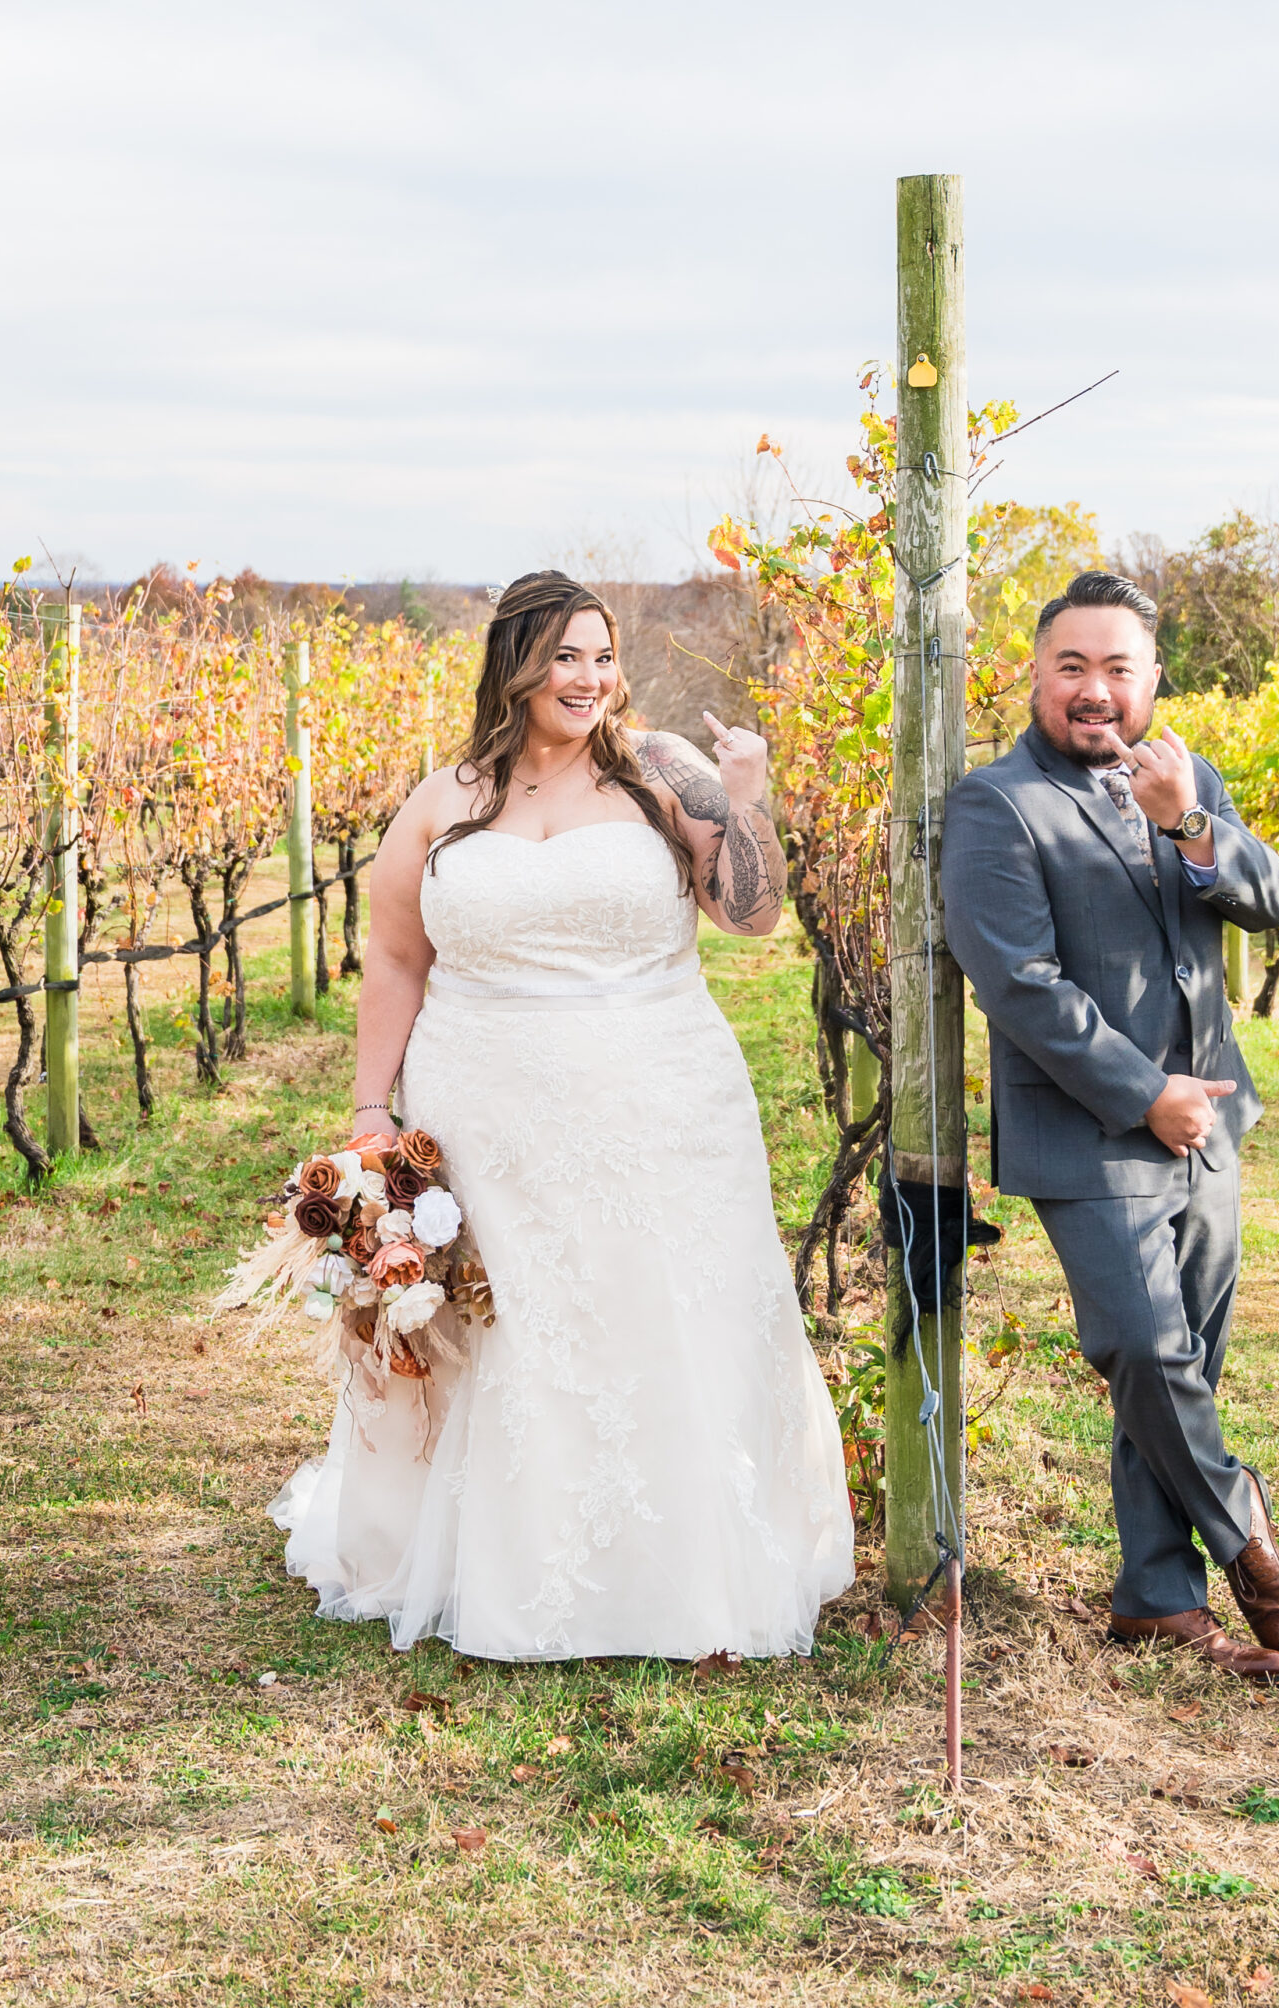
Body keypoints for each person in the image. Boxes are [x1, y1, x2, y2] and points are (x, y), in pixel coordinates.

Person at [271, 570, 855, 1662]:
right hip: (486, 1099)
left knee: (658, 1303)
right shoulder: (445, 796)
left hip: (659, 1089)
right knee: (518, 1319)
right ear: (516, 666)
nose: (589, 677)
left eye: (603, 654)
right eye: (566, 656)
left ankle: (680, 1566)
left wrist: (748, 793)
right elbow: (397, 954)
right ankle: (510, 1562)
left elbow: (752, 915)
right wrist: (369, 1108)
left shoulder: (659, 769)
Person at [940, 570, 1279, 1680]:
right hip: (1091, 1128)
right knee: (1144, 1347)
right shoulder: (997, 803)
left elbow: (1274, 898)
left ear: (1153, 680)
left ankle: (1156, 1597)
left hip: (1213, 1126)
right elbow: (1019, 982)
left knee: (1185, 1360)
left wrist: (1189, 822)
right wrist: (1145, 1091)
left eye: (1118, 668)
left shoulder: (1187, 778)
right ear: (1038, 675)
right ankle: (1243, 1527)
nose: (1094, 690)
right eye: (1072, 667)